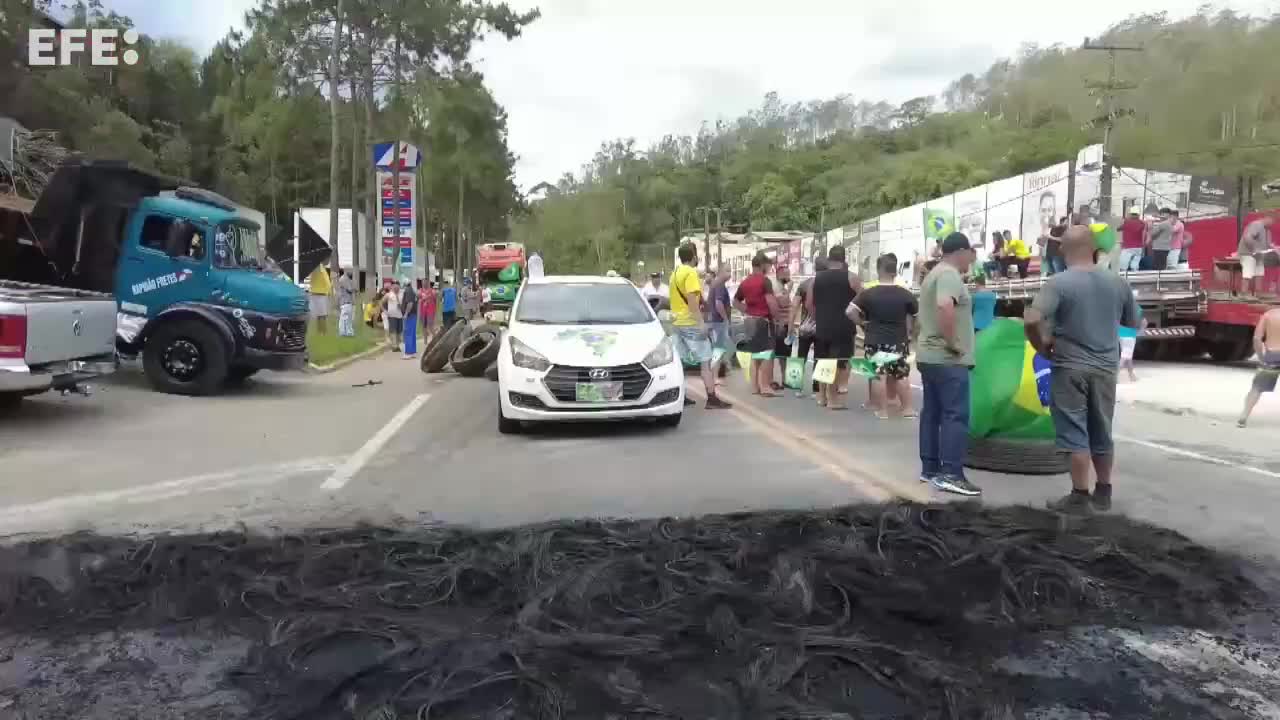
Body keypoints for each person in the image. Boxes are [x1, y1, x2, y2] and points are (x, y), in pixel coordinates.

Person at [1024, 225, 1142, 514]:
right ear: (1094, 248)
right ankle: (1103, 492)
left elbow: (1031, 319)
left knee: (1075, 432)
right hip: (1105, 369)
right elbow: (1135, 322)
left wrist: (1042, 346)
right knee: (1102, 430)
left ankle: (1079, 495)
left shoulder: (1058, 283)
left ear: (1064, 249)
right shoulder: (1118, 283)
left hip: (1070, 367)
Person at [916, 232, 980, 496]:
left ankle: (930, 468)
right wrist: (954, 343)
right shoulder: (949, 275)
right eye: (971, 254)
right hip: (946, 358)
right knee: (955, 415)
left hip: (928, 356)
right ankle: (952, 473)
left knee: (932, 413)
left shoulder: (933, 274)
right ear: (962, 251)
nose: (972, 260)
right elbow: (945, 306)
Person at [851, 254, 917, 419]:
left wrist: (862, 322)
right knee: (901, 375)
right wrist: (912, 333)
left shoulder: (868, 293)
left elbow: (849, 311)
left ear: (879, 269)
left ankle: (882, 410)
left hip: (875, 340)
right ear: (895, 271)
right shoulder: (905, 294)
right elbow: (917, 315)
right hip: (898, 341)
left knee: (878, 375)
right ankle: (907, 409)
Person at [670, 242, 731, 410]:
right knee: (706, 360)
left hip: (676, 324)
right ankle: (711, 398)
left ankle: (679, 396)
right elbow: (691, 301)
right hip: (691, 323)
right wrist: (701, 323)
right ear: (694, 257)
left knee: (680, 361)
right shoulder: (690, 273)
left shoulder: (674, 273)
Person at [806, 245, 860, 410]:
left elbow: (809, 304)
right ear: (844, 260)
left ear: (829, 259)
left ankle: (822, 396)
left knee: (823, 360)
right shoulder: (852, 278)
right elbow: (862, 299)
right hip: (843, 325)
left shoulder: (817, 278)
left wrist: (816, 318)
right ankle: (833, 399)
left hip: (823, 325)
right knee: (837, 362)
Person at [734, 252, 780, 397]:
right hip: (763, 321)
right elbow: (771, 302)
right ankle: (765, 386)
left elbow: (735, 302)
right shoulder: (764, 281)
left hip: (749, 321)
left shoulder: (745, 282)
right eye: (768, 265)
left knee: (754, 354)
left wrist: (748, 311)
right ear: (762, 265)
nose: (769, 268)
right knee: (766, 353)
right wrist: (777, 318)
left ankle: (755, 386)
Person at [791, 257, 827, 398]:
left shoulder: (804, 284)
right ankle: (816, 389)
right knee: (819, 358)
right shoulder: (829, 286)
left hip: (805, 327)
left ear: (814, 268)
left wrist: (790, 325)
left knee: (801, 357)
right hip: (822, 327)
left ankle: (797, 387)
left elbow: (794, 305)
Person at [1238, 307, 1280, 428]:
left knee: (1256, 388)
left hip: (1272, 355)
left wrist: (1261, 355)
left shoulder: (1269, 315)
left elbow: (1257, 338)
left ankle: (1244, 416)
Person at [705, 263, 733, 380]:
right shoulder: (720, 285)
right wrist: (725, 319)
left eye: (730, 271)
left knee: (721, 348)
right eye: (727, 271)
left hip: (716, 321)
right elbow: (718, 304)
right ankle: (716, 376)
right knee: (720, 349)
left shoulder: (715, 284)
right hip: (719, 322)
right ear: (720, 272)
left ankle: (721, 371)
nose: (729, 274)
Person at [1238, 213, 1277, 298]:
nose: (1272, 223)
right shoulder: (1257, 225)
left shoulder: (1267, 230)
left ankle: (1258, 293)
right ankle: (1244, 294)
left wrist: (1275, 248)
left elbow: (1268, 244)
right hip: (1248, 253)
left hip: (1259, 255)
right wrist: (1255, 247)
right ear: (1267, 217)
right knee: (1248, 273)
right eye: (1272, 220)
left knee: (1260, 273)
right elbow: (1247, 237)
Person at [771, 262, 793, 391]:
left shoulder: (782, 286)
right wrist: (789, 289)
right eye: (786, 274)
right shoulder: (777, 286)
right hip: (779, 325)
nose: (789, 277)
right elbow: (783, 303)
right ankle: (773, 379)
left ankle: (784, 379)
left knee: (784, 354)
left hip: (784, 324)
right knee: (778, 353)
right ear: (779, 274)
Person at [1118, 208, 1147, 272]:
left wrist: (1124, 220)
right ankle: (1135, 278)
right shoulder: (1142, 223)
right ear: (1138, 215)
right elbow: (1144, 234)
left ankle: (1123, 279)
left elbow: (1118, 229)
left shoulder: (1126, 222)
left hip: (1127, 247)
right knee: (1135, 265)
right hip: (1138, 248)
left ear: (1130, 214)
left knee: (1123, 266)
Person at [308, 264, 332, 334]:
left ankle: (319, 331)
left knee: (319, 315)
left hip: (314, 293)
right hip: (321, 294)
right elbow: (327, 281)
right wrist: (330, 291)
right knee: (323, 314)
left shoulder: (312, 268)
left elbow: (311, 281)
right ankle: (323, 331)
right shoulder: (321, 268)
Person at [383, 279, 404, 352]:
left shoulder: (401, 294)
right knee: (393, 331)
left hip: (400, 315)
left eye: (397, 287)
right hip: (392, 316)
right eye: (394, 286)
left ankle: (397, 345)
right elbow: (382, 303)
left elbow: (404, 304)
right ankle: (394, 346)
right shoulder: (389, 294)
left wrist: (401, 307)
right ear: (392, 287)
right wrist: (385, 311)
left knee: (399, 332)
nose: (396, 288)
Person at [400, 279, 418, 358]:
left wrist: (406, 314)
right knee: (412, 333)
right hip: (413, 314)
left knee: (408, 333)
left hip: (410, 315)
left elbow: (410, 303)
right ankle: (412, 351)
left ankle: (408, 353)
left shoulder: (408, 291)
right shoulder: (412, 290)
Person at [336, 268, 356, 337]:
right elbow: (350, 289)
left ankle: (346, 332)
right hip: (346, 301)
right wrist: (355, 289)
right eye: (351, 271)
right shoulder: (344, 279)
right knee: (346, 318)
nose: (352, 273)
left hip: (346, 301)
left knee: (347, 318)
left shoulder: (346, 279)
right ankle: (345, 332)